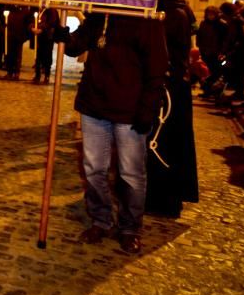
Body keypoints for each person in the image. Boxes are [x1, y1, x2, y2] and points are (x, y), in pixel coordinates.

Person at [59, 13, 168, 254]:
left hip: (130, 108)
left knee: (131, 173)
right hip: (94, 104)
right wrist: (62, 36)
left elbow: (157, 67)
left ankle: (130, 228)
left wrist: (147, 108)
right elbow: (76, 47)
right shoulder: (98, 17)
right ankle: (101, 219)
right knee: (94, 168)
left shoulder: (147, 18)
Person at [145, 0, 199, 218]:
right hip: (171, 86)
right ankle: (161, 197)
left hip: (169, 88)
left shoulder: (173, 15)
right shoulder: (174, 10)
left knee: (162, 142)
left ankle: (162, 199)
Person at [31, 7, 61, 84]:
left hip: (47, 37)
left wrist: (41, 29)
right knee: (38, 57)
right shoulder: (37, 9)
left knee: (47, 57)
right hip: (38, 37)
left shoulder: (52, 10)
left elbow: (52, 23)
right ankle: (37, 75)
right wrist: (32, 27)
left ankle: (46, 76)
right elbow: (31, 20)